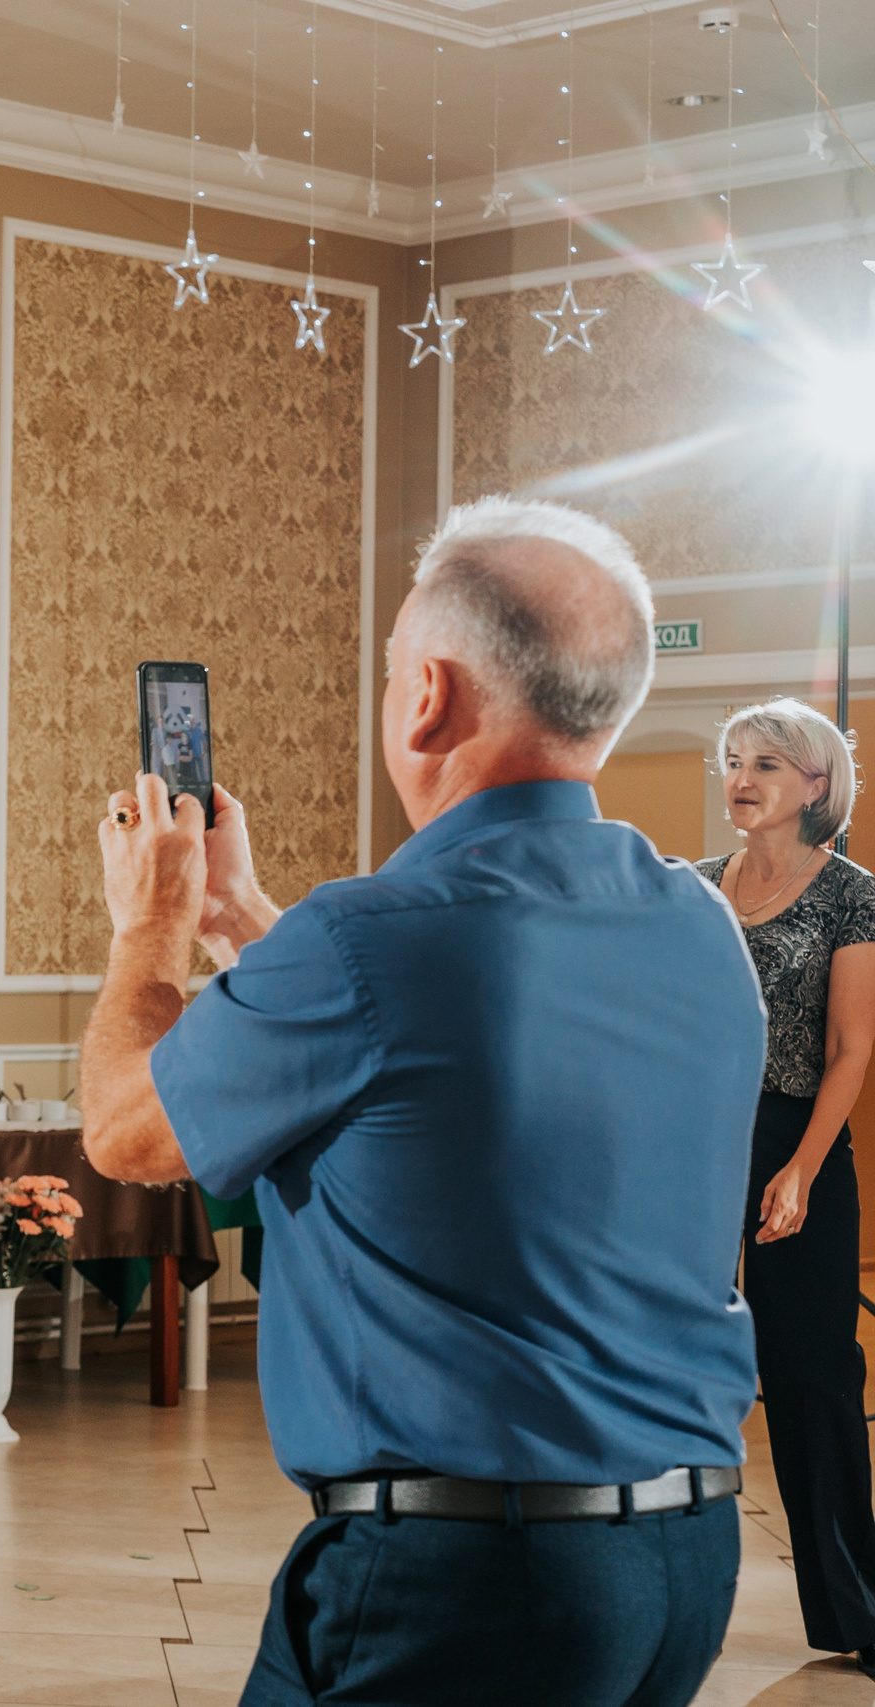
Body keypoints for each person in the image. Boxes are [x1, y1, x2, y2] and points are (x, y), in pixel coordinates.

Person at [79, 496, 763, 1706]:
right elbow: (431, 1054)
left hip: (463, 1578)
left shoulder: (368, 940)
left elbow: (127, 1132)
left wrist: (153, 925)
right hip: (682, 1558)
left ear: (427, 696)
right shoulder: (695, 918)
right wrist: (247, 917)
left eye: (393, 666)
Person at [697, 698, 875, 1669]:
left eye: (765, 762)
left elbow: (850, 1049)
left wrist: (799, 1170)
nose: (740, 777)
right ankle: (633, 1585)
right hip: (686, 1143)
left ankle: (857, 1612)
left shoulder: (853, 893)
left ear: (815, 784)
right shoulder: (684, 887)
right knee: (657, 1363)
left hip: (794, 1137)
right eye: (730, 759)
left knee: (812, 1379)